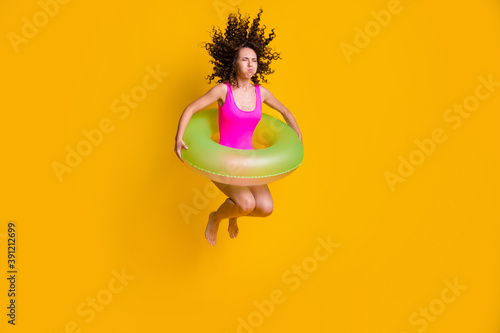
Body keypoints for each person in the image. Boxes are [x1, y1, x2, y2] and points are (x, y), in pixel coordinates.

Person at [174, 8, 302, 245]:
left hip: (249, 161)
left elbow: (285, 111)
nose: (250, 64)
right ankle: (217, 217)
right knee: (246, 203)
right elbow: (191, 109)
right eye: (245, 59)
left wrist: (297, 137)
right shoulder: (223, 91)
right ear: (234, 62)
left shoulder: (261, 93)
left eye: (254, 60)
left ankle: (235, 214)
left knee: (265, 208)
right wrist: (178, 139)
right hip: (225, 161)